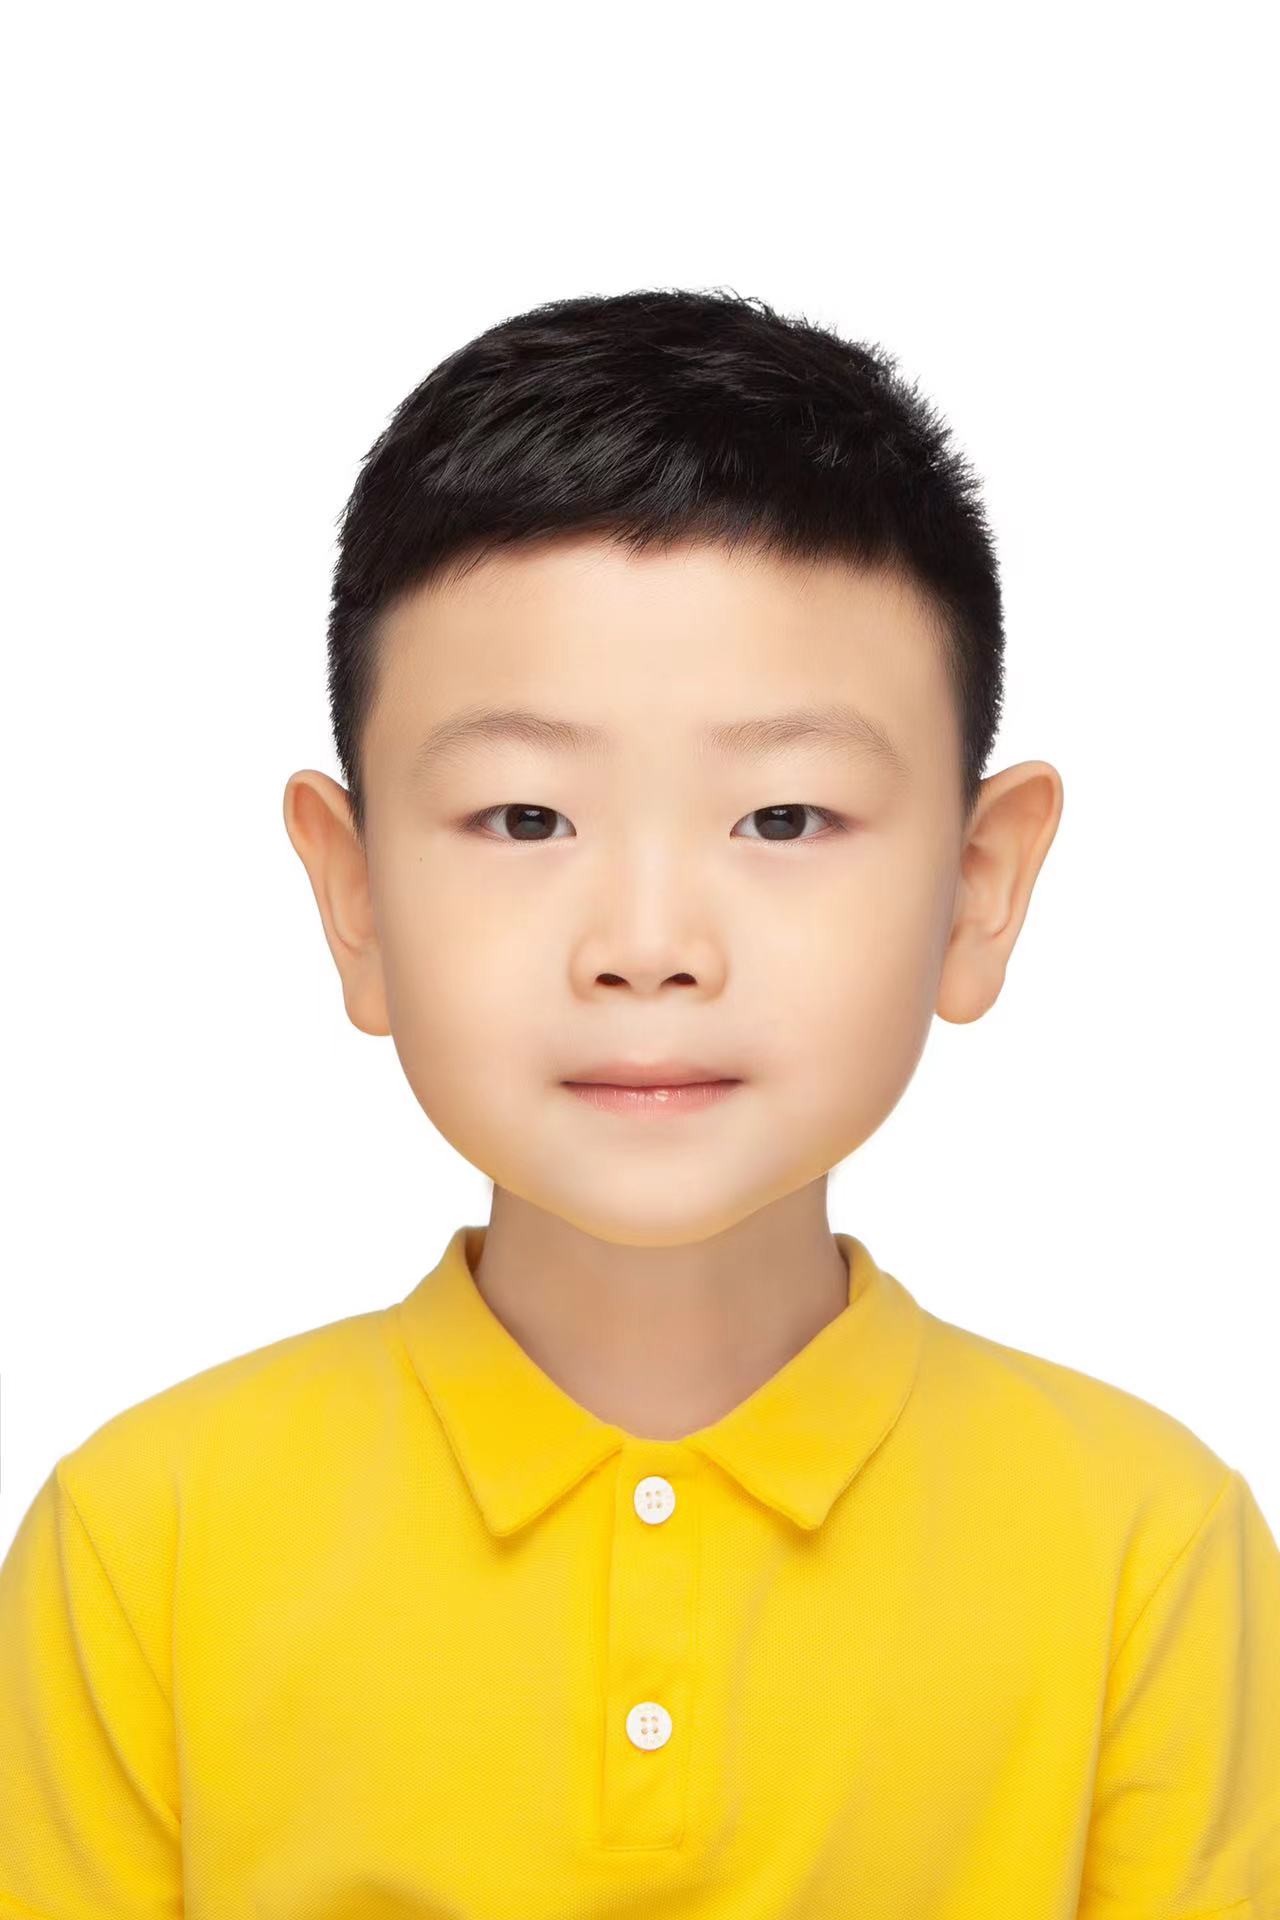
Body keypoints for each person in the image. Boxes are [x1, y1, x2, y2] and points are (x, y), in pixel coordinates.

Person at [2, 289, 1276, 1917]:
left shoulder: (1148, 1545)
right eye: (526, 818)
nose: (650, 944)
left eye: (785, 817)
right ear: (354, 894)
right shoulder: (146, 1537)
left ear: (978, 888)